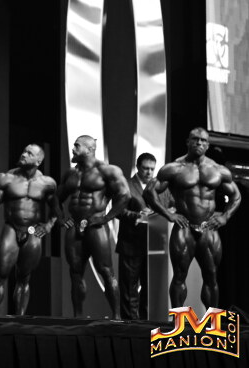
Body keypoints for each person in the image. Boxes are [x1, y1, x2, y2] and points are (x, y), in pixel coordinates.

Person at [144, 127, 242, 308]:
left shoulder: (218, 170)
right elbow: (149, 192)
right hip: (184, 228)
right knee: (179, 276)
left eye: (203, 140)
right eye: (195, 139)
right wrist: (169, 214)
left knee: (211, 276)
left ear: (208, 145)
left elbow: (236, 196)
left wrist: (225, 217)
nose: (199, 143)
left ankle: (213, 322)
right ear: (188, 142)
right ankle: (178, 322)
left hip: (208, 229)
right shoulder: (174, 168)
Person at [57, 135, 130, 319]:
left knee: (106, 271)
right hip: (74, 226)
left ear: (90, 149)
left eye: (77, 146)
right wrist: (62, 218)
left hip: (95, 226)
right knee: (75, 272)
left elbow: (124, 196)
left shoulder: (107, 171)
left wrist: (106, 218)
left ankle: (116, 317)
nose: (73, 149)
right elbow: (57, 198)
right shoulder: (70, 174)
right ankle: (78, 317)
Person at [0, 144, 58, 315]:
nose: (24, 154)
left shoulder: (47, 183)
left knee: (24, 278)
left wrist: (48, 226)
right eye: (24, 151)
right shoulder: (5, 179)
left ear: (38, 161)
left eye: (29, 153)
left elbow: (57, 210)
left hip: (32, 231)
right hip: (11, 228)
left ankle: (20, 319)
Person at [116, 152, 172, 320]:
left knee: (150, 290)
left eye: (152, 169)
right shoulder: (126, 185)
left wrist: (167, 212)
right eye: (145, 168)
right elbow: (117, 211)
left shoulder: (162, 188)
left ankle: (147, 326)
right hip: (131, 244)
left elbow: (173, 207)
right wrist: (137, 215)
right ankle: (130, 326)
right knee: (129, 290)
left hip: (155, 248)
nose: (149, 172)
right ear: (137, 167)